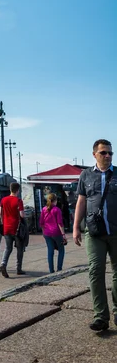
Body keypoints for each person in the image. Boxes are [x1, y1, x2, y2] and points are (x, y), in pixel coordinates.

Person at [73, 139, 117, 332]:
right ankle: (100, 316)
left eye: (110, 153)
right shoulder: (86, 175)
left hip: (116, 232)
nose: (107, 156)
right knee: (95, 271)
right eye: (103, 153)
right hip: (94, 232)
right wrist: (75, 227)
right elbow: (81, 201)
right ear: (94, 154)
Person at [0, 182, 25, 278]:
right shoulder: (18, 201)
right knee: (19, 249)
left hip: (6, 228)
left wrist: (3, 222)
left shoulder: (3, 200)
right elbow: (22, 215)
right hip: (16, 228)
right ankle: (19, 268)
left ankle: (3, 264)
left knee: (8, 248)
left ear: (10, 189)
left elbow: (0, 213)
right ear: (17, 190)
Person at [39, 193, 66, 273]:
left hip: (47, 233)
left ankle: (51, 270)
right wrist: (63, 235)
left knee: (50, 251)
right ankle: (59, 268)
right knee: (61, 250)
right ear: (55, 200)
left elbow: (41, 223)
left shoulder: (44, 209)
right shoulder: (57, 210)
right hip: (56, 232)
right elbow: (60, 223)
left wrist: (44, 233)